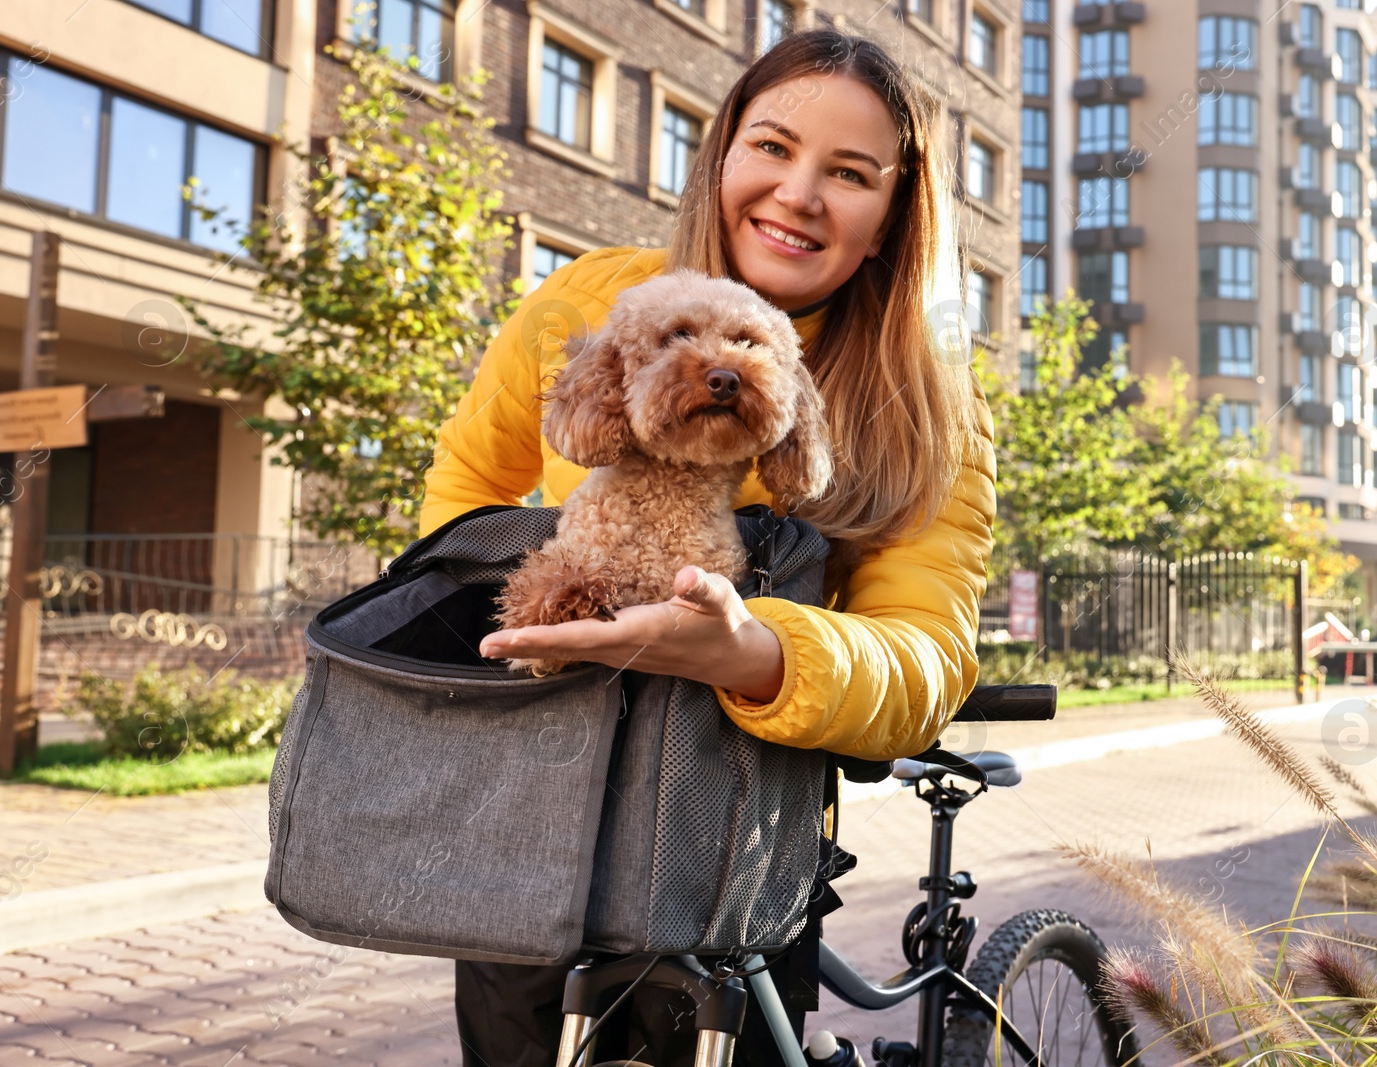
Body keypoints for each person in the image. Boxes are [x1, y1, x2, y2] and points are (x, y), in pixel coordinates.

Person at [419, 27, 996, 1066]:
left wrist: (753, 652)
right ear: (722, 151)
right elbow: (465, 489)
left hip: (739, 841)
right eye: (771, 147)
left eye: (850, 173)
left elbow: (925, 656)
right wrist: (498, 631)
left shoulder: (926, 406)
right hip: (534, 818)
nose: (799, 193)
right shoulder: (587, 300)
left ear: (892, 216)